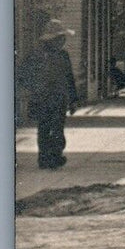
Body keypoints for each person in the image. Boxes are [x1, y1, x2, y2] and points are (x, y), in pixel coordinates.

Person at [17, 20, 80, 170]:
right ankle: (45, 158)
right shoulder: (36, 56)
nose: (62, 41)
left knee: (57, 129)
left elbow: (69, 78)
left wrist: (73, 100)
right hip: (42, 98)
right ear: (52, 40)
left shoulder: (63, 56)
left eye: (63, 38)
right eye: (60, 38)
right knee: (44, 128)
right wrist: (32, 89)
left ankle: (55, 156)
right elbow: (22, 74)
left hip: (59, 98)